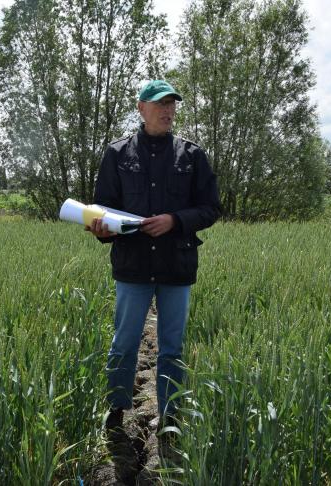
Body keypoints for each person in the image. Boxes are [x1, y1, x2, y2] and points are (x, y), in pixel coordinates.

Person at [87, 79, 220, 466]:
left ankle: (171, 417)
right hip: (132, 266)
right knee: (124, 343)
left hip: (176, 265)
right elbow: (104, 208)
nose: (168, 110)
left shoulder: (192, 156)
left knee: (172, 347)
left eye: (172, 104)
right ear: (141, 108)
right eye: (160, 104)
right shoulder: (116, 154)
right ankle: (115, 414)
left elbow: (211, 208)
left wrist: (175, 220)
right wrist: (100, 228)